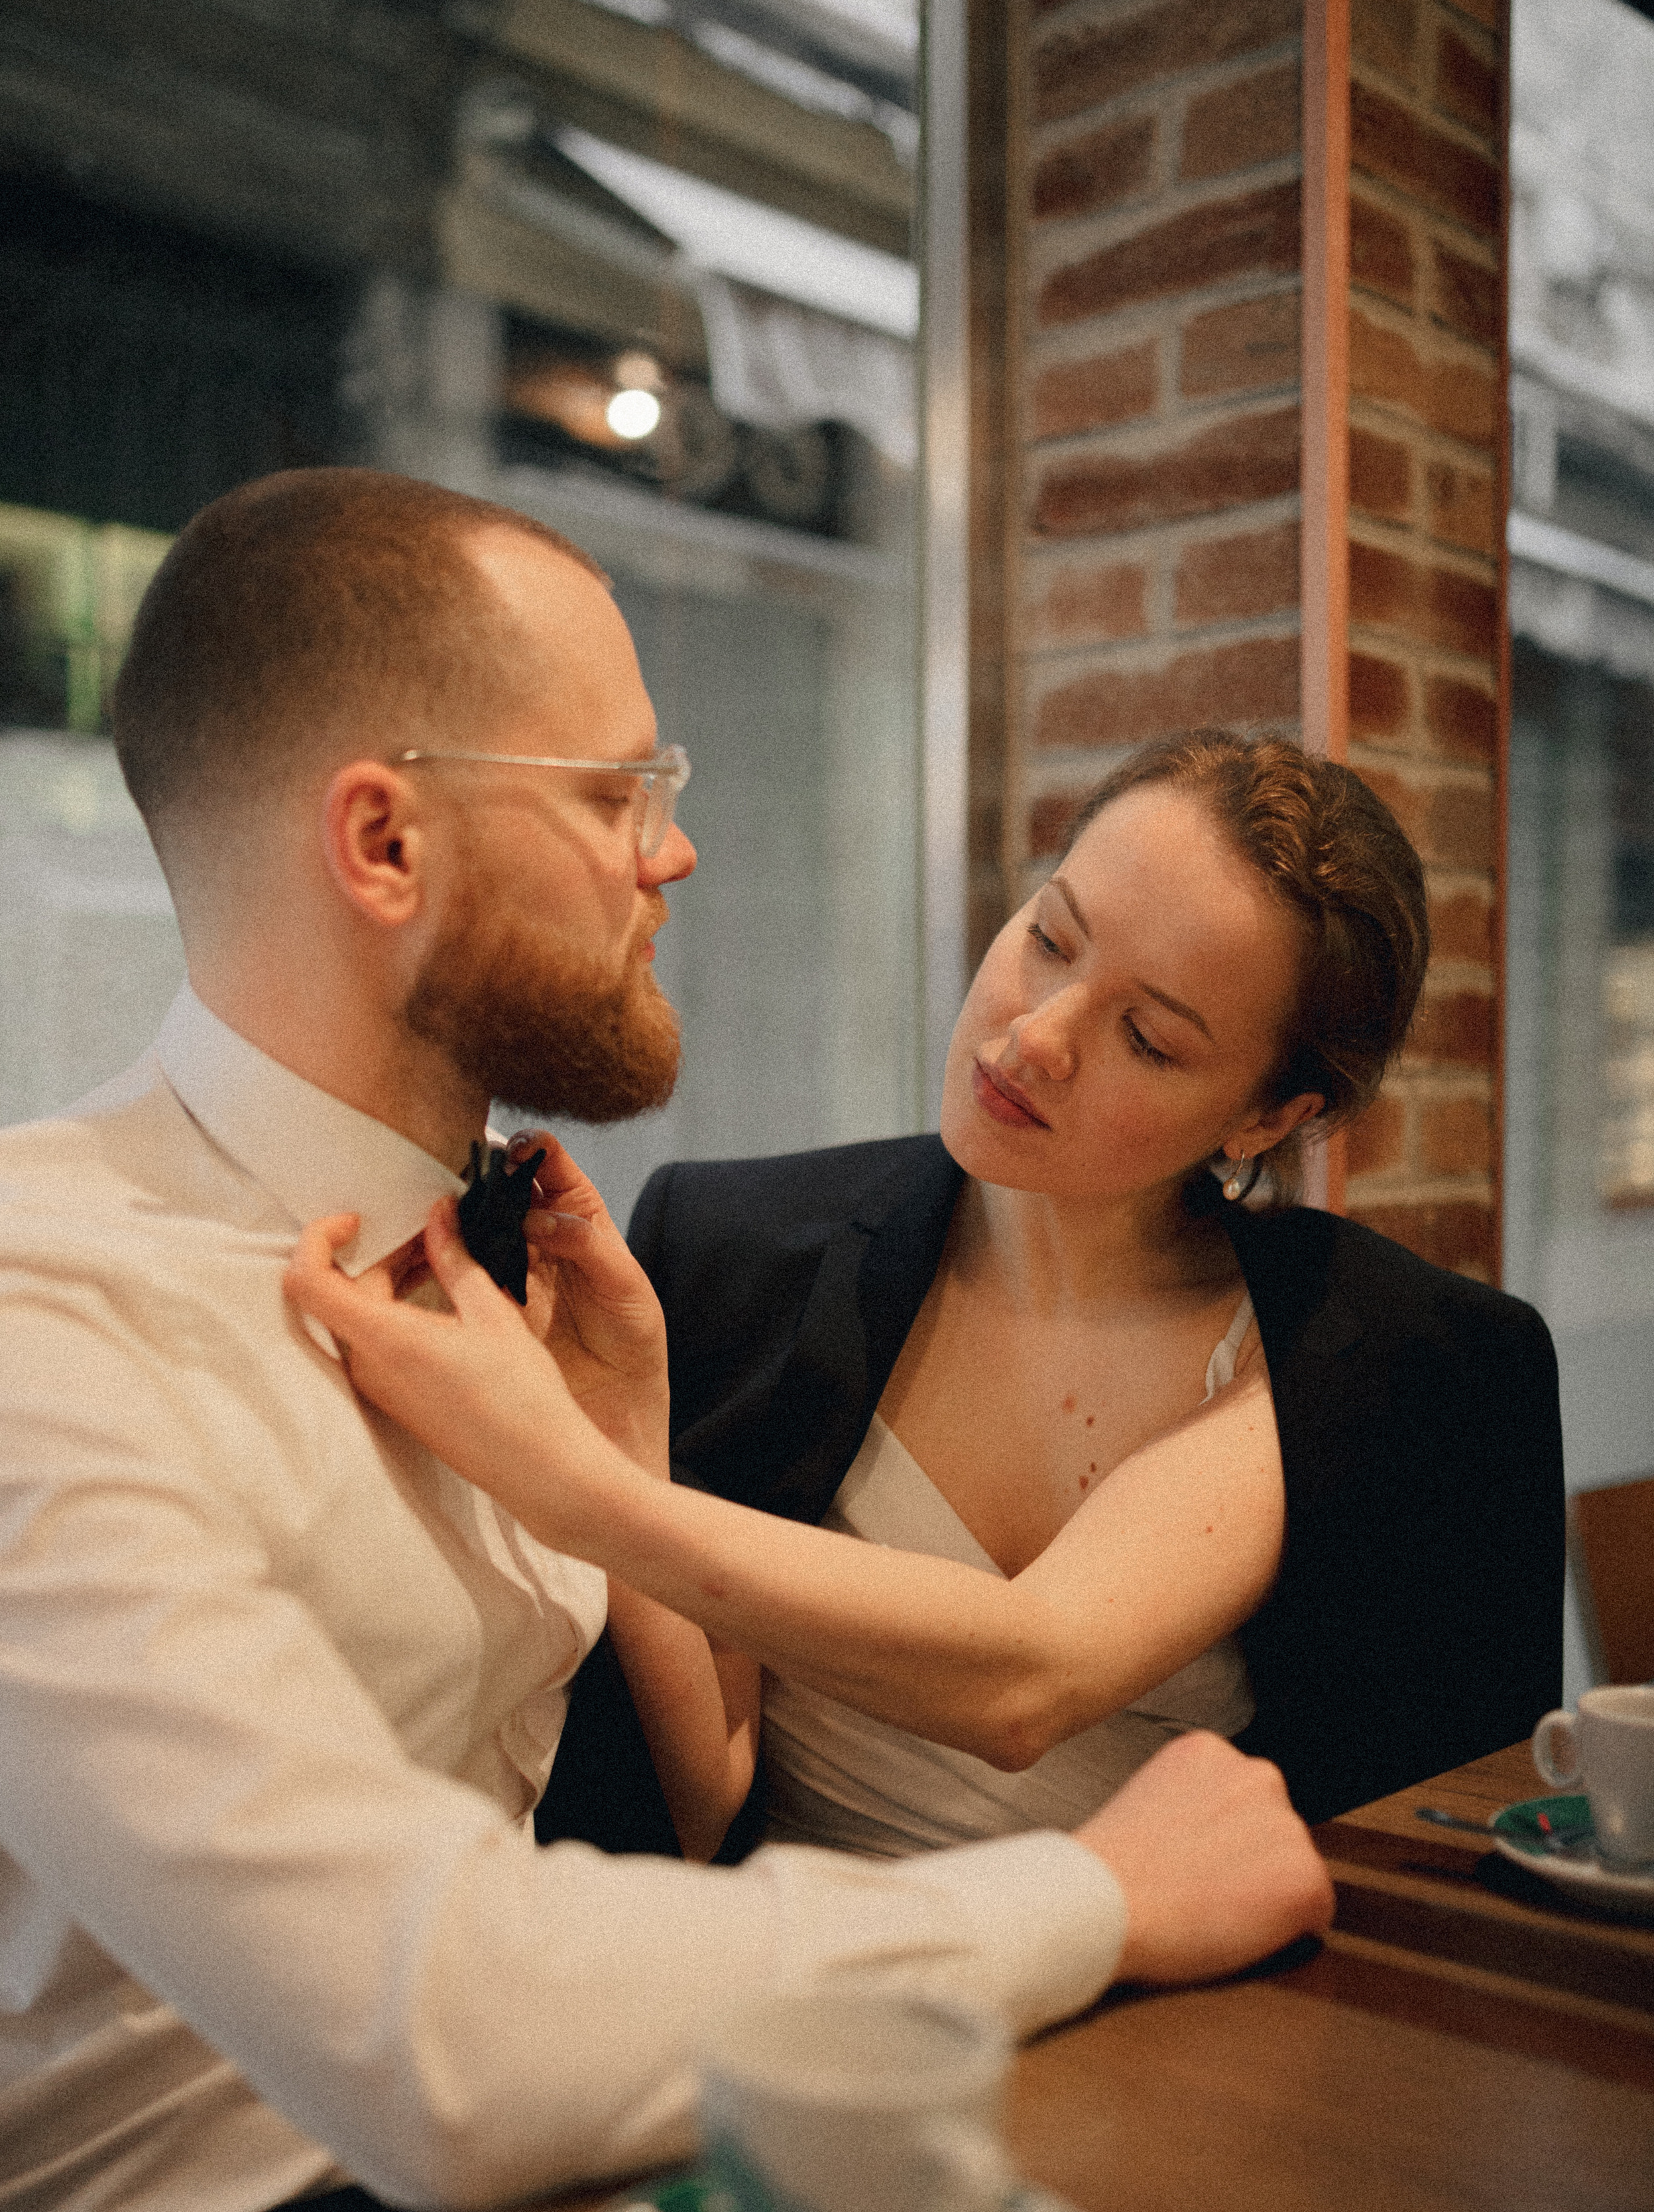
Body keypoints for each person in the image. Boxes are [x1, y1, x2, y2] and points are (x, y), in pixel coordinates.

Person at [0, 470, 1332, 2212]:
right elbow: (447, 2016)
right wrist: (1097, 1901)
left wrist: (615, 1452)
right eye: (617, 794)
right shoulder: (16, 1314)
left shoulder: (524, 1281)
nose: (674, 853)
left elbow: (648, 1860)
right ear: (385, 838)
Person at [295, 731, 1564, 1867]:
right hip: (816, 2018)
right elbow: (703, 1797)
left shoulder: (1375, 1355)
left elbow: (1030, 1675)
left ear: (1271, 1114)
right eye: (1050, 939)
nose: (1035, 1037)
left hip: (1204, 2043)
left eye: (1150, 1039)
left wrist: (572, 1483)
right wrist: (626, 1415)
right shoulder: (732, 1248)